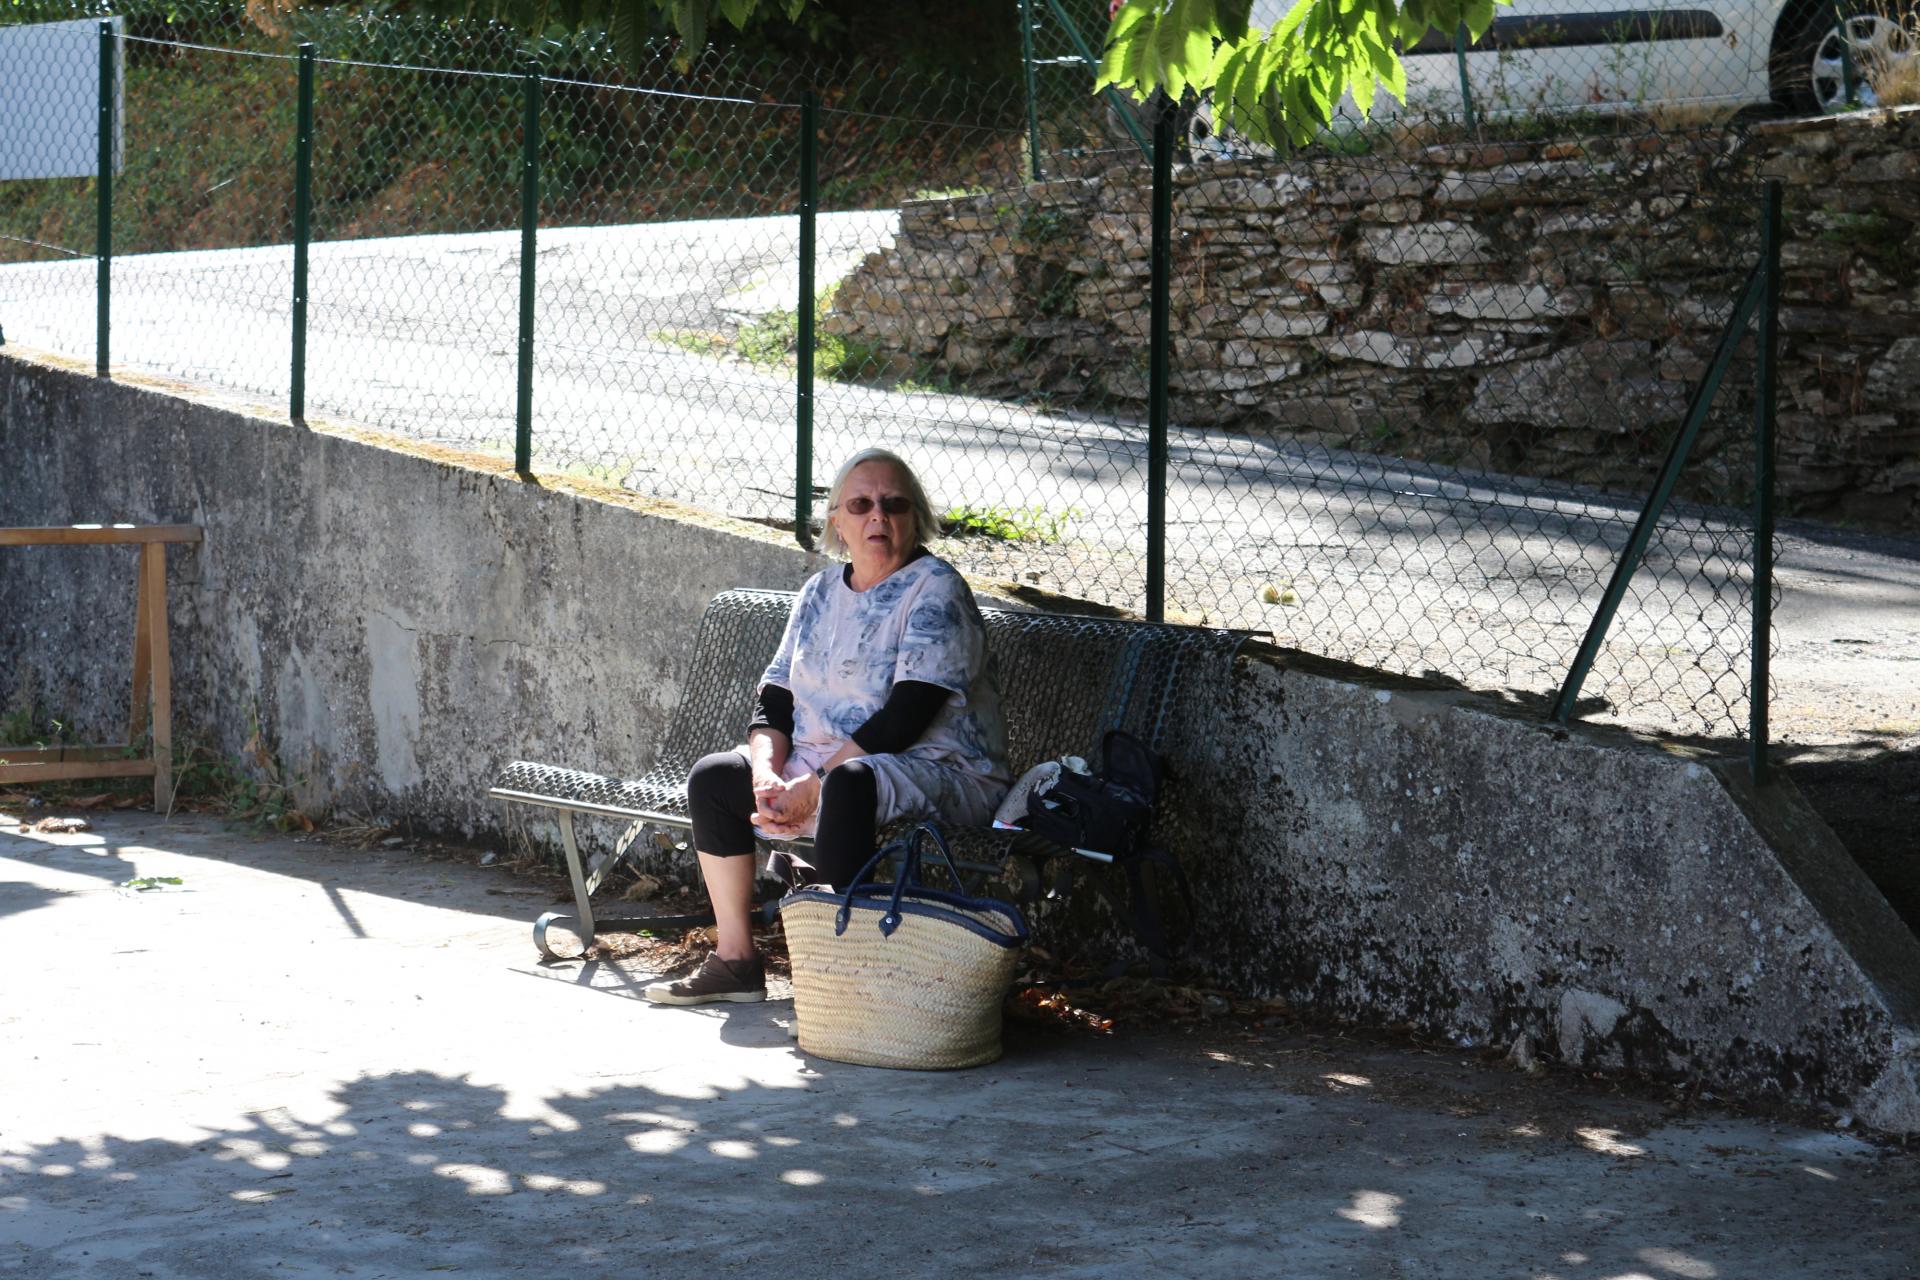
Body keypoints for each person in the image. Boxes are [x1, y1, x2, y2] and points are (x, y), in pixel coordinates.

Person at [643, 448, 1012, 1006]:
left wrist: (810, 784)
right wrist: (768, 775)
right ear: (836, 520)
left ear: (916, 518)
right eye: (861, 504)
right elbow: (776, 702)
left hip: (942, 771)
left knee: (850, 783)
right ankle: (737, 960)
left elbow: (907, 716)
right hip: (825, 766)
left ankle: (842, 988)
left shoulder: (934, 588)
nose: (878, 518)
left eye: (894, 505)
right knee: (717, 778)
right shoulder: (819, 593)